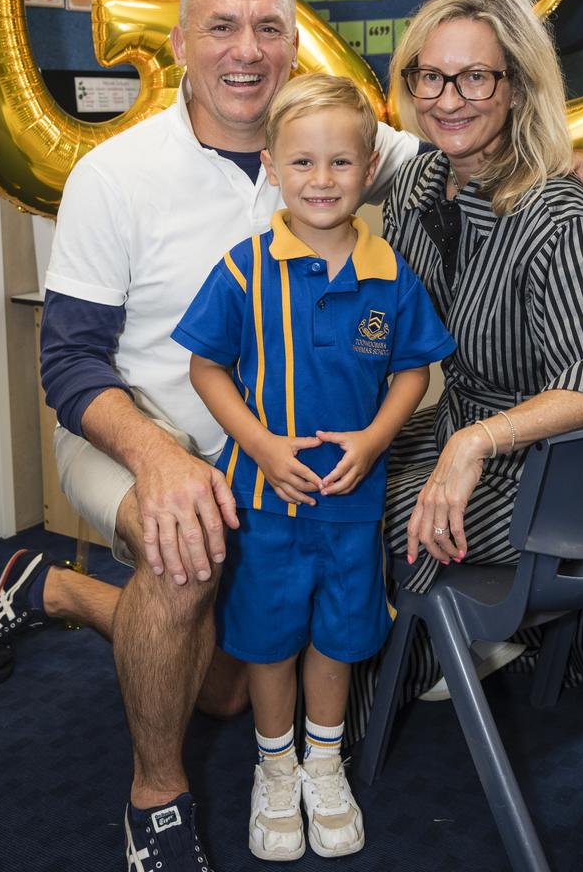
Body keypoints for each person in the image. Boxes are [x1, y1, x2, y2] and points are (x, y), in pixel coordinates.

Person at [0, 0, 583, 870]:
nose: (246, 49)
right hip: (138, 433)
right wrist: (162, 460)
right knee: (187, 556)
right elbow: (68, 365)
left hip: (297, 467)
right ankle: (157, 794)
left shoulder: (338, 135)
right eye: (221, 26)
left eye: (269, 26)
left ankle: (53, 590)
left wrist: (575, 162)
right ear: (181, 41)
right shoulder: (113, 176)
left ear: (293, 38)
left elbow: (471, 136)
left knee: (234, 682)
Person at [344, 0, 583, 737]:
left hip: (565, 465)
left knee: (379, 517)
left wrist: (473, 442)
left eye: (475, 76)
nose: (448, 98)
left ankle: (357, 717)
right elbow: (397, 329)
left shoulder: (554, 205)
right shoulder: (419, 182)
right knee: (329, 483)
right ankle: (418, 660)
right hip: (465, 423)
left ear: (514, 85)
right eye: (430, 75)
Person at [173, 72, 454, 861]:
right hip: (264, 500)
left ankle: (323, 764)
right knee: (269, 639)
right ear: (270, 166)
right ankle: (275, 768)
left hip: (352, 501)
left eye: (340, 163)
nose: (322, 180)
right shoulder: (242, 269)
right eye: (302, 163)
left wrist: (373, 441)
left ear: (369, 169)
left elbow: (412, 372)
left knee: (336, 635)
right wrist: (259, 446)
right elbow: (206, 369)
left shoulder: (390, 272)